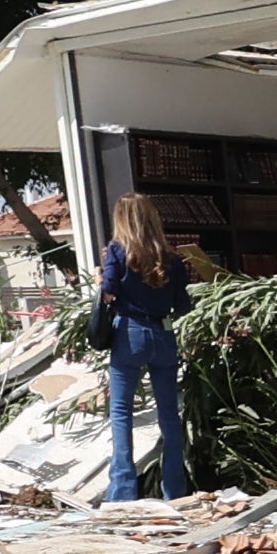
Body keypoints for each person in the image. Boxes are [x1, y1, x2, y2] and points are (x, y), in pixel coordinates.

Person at [92, 193, 200, 502]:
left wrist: (101, 274)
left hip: (129, 332)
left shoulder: (117, 250)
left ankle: (124, 491)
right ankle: (175, 490)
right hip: (163, 334)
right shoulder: (174, 260)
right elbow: (183, 306)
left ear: (121, 220)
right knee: (169, 414)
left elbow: (109, 291)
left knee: (122, 411)